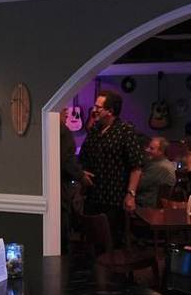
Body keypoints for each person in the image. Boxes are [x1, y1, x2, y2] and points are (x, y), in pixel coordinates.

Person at [78, 89, 143, 244]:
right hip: (93, 196)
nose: (94, 110)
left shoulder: (126, 131)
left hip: (114, 198)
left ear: (110, 111)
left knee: (112, 241)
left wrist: (131, 195)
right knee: (92, 241)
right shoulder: (94, 130)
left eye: (98, 107)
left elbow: (136, 166)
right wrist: (82, 172)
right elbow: (83, 157)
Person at [60, 107, 84, 250]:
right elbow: (68, 160)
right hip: (61, 190)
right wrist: (81, 176)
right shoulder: (63, 131)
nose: (67, 112)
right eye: (63, 110)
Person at [136, 136, 176, 208]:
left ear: (161, 151)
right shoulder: (163, 163)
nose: (147, 150)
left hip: (147, 206)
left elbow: (138, 185)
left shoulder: (159, 167)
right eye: (148, 147)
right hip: (152, 203)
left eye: (152, 148)